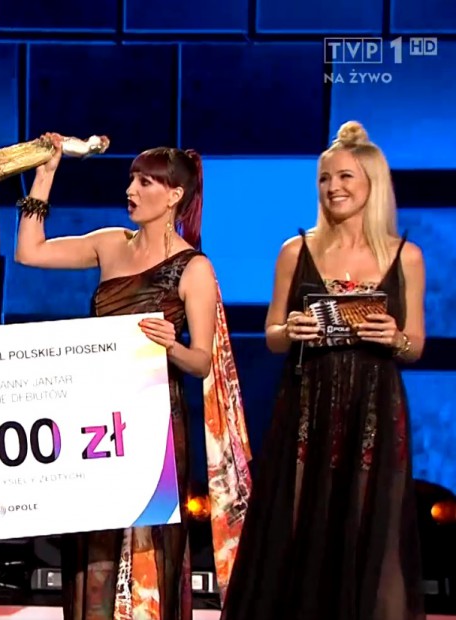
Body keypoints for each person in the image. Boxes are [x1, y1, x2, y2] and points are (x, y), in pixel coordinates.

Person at [14, 133, 252, 620]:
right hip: (97, 420)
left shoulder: (193, 268)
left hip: (154, 424)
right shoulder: (109, 244)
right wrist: (45, 174)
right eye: (131, 180)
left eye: (145, 182)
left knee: (144, 546)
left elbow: (201, 362)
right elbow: (29, 252)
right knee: (96, 549)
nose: (131, 190)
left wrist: (172, 345)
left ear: (174, 195)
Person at [219, 121, 426, 620]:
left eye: (345, 177)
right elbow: (272, 335)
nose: (333, 187)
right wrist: (290, 329)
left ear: (373, 184)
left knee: (371, 527)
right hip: (307, 404)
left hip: (373, 408)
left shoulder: (406, 257)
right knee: (297, 523)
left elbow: (416, 345)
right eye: (325, 178)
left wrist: (394, 338)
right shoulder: (296, 251)